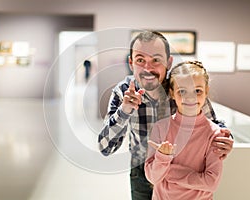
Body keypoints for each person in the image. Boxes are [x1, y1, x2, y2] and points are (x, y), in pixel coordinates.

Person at [98, 31, 233, 200]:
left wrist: (225, 139)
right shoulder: (123, 92)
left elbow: (212, 124)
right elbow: (105, 147)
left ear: (168, 62)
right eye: (140, 60)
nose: (148, 68)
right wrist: (124, 111)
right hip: (141, 171)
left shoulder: (182, 86)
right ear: (131, 63)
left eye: (156, 60)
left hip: (185, 170)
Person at [145, 61, 224, 200]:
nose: (190, 97)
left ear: (206, 92)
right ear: (172, 93)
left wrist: (167, 170)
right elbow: (153, 178)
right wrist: (163, 158)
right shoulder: (160, 128)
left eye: (197, 91)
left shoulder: (214, 134)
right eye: (182, 91)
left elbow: (211, 183)